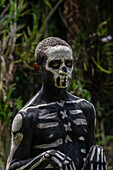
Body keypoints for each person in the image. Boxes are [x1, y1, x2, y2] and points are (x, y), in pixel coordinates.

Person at [6, 37, 107, 170]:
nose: (64, 70)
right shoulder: (28, 116)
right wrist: (45, 157)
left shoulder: (86, 109)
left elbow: (89, 154)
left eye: (68, 64)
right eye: (55, 64)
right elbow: (11, 167)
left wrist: (96, 153)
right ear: (38, 68)